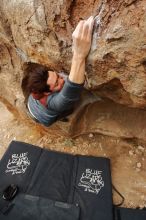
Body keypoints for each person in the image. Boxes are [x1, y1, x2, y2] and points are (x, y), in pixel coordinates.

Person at [22, 16, 94, 127]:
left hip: (32, 104)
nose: (62, 79)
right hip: (44, 117)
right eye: (56, 83)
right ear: (46, 92)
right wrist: (79, 54)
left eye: (57, 76)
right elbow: (72, 88)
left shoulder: (37, 88)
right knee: (66, 109)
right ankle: (62, 116)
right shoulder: (56, 104)